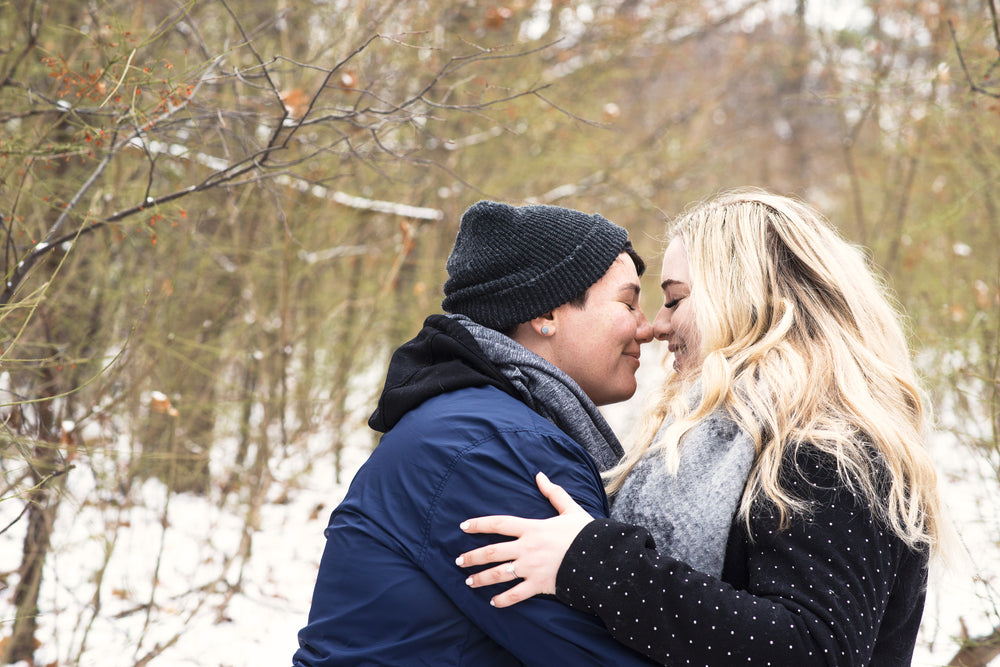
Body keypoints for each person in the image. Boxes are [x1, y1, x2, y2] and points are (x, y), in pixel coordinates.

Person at [457, 188, 945, 666]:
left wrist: (595, 562)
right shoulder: (725, 438)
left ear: (747, 299)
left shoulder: (829, 447)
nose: (657, 326)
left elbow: (814, 649)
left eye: (674, 299)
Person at [293, 200, 661, 666]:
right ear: (546, 311)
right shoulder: (496, 446)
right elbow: (605, 654)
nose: (646, 327)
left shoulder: (478, 424)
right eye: (628, 302)